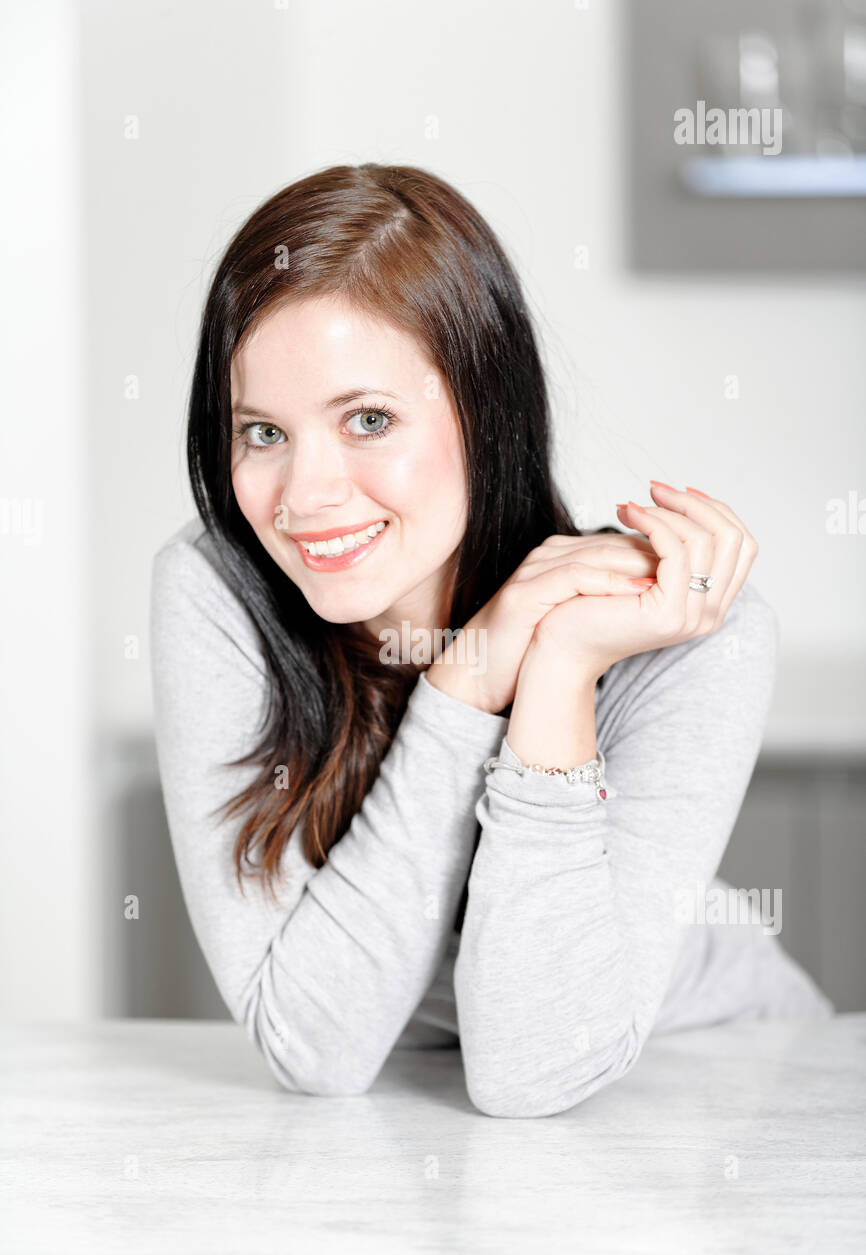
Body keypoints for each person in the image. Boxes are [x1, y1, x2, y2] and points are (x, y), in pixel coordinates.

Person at [150, 163, 833, 1119]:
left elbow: (535, 1070)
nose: (302, 498)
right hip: (426, 1129)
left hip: (730, 1084)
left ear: (490, 411)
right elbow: (312, 1045)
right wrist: (471, 679)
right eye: (262, 432)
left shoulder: (675, 634)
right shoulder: (218, 591)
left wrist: (555, 671)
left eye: (369, 420)